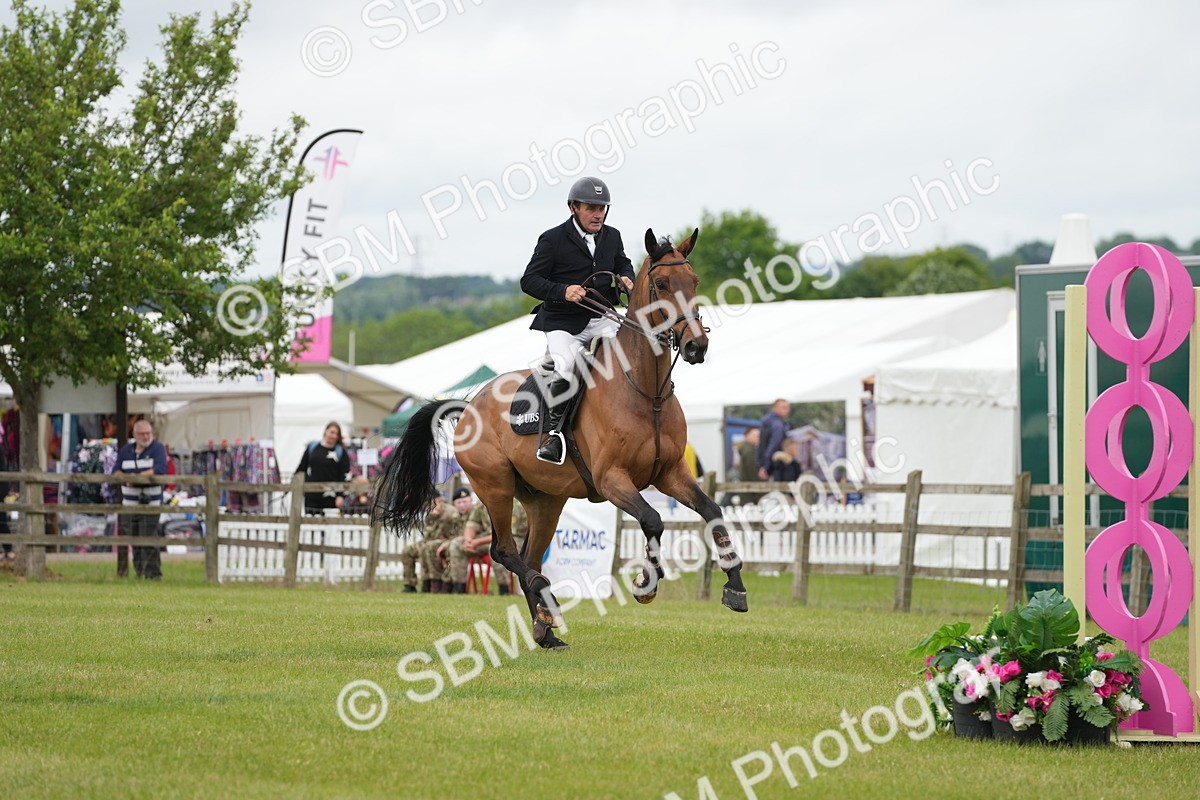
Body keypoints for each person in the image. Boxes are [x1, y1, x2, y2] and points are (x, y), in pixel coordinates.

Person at [520, 176, 636, 465]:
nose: (598, 214)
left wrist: (626, 279)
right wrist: (563, 291)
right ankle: (554, 435)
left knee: (631, 354)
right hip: (562, 323)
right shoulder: (553, 239)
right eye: (591, 208)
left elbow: (623, 262)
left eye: (602, 208)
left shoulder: (612, 236)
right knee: (567, 367)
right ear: (574, 208)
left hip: (600, 316)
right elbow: (529, 280)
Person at [115, 419, 168, 579]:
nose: (146, 437)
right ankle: (139, 572)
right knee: (135, 540)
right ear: (135, 434)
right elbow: (116, 471)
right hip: (129, 504)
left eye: (148, 433)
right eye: (142, 434)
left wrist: (136, 479)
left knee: (149, 538)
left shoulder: (157, 448)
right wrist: (126, 478)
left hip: (151, 503)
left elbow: (159, 469)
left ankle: (153, 574)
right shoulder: (126, 450)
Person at [419, 487, 471, 593]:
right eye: (459, 502)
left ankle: (446, 585)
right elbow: (429, 534)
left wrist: (446, 542)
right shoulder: (432, 514)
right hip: (450, 542)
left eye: (465, 501)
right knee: (425, 547)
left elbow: (456, 535)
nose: (462, 505)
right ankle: (429, 584)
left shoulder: (452, 513)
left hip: (465, 544)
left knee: (436, 547)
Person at [295, 421, 351, 515]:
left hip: (331, 497)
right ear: (326, 431)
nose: (333, 436)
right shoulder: (312, 447)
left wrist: (341, 496)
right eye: (332, 432)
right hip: (311, 495)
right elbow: (302, 467)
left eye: (336, 434)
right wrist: (294, 483)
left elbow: (345, 476)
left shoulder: (341, 452)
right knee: (310, 525)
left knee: (329, 527)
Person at [442, 495, 494, 594]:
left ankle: (504, 590)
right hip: (482, 543)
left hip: (501, 543)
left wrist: (476, 542)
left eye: (464, 501)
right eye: (459, 502)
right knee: (456, 545)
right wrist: (468, 541)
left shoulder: (511, 502)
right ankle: (459, 588)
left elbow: (508, 535)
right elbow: (471, 525)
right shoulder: (480, 506)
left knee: (498, 549)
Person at [489, 501, 527, 596]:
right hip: (496, 536)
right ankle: (455, 588)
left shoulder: (518, 505)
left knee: (502, 551)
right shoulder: (488, 502)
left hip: (518, 537)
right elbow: (473, 523)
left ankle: (504, 590)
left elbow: (510, 531)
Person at [757, 399, 791, 480]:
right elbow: (774, 445)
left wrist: (762, 465)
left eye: (787, 407)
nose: (787, 410)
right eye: (784, 407)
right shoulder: (777, 425)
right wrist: (766, 466)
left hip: (765, 464)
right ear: (775, 408)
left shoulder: (766, 422)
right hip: (775, 465)